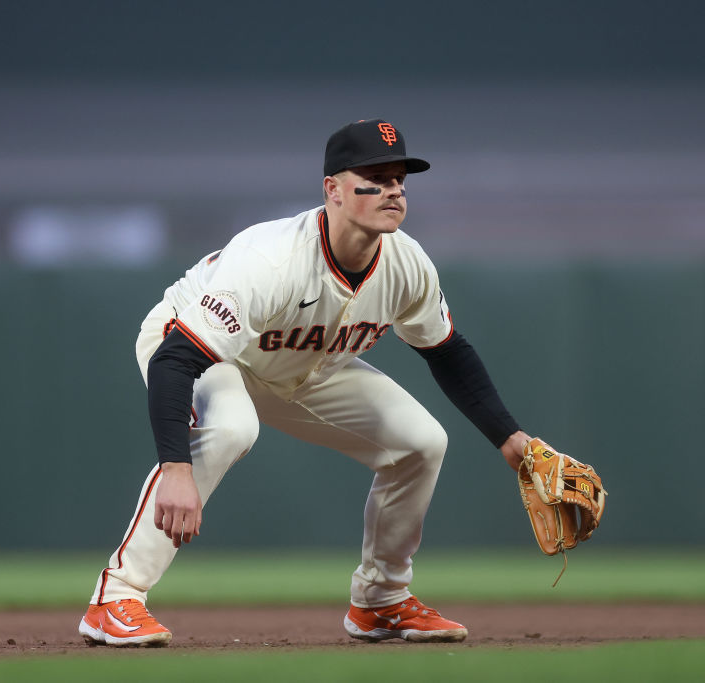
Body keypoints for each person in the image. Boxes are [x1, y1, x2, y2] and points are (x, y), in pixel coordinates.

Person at [79, 118, 534, 647]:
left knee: (421, 443)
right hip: (192, 345)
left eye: (399, 179)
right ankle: (117, 597)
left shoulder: (408, 265)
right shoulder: (271, 260)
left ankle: (381, 602)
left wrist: (512, 439)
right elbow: (174, 362)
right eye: (375, 176)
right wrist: (177, 466)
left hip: (301, 363)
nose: (392, 189)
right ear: (333, 190)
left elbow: (447, 351)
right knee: (230, 430)